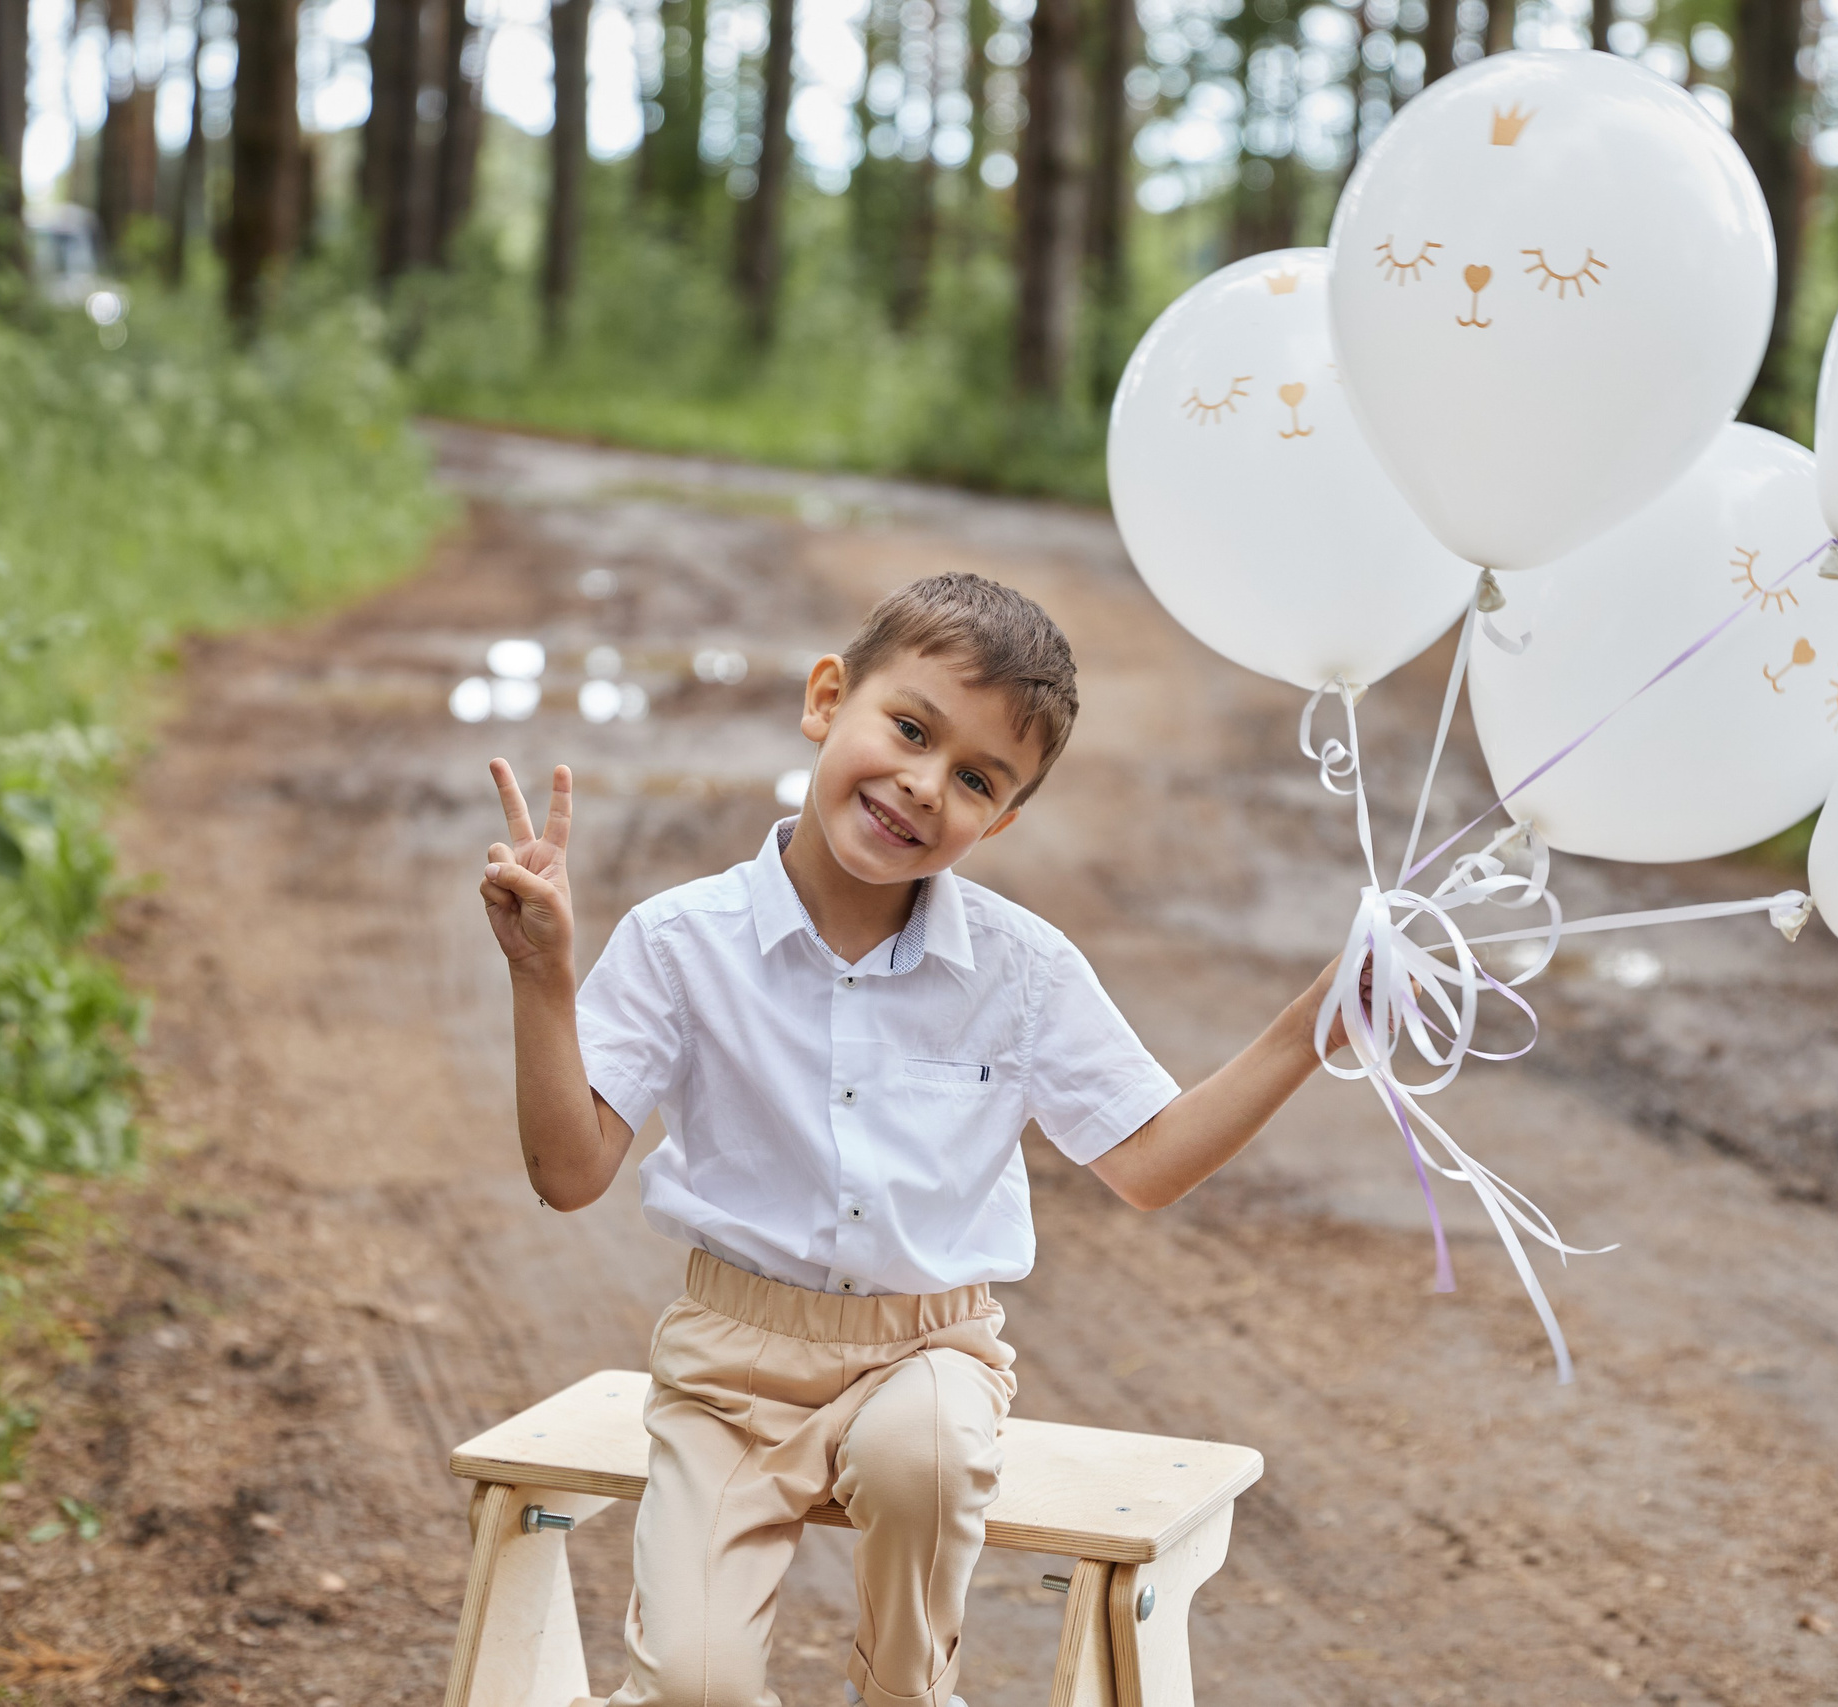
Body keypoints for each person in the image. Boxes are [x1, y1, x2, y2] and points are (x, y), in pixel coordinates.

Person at [478, 573, 1360, 1707]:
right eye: (908, 728)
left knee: (924, 1449)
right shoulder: (680, 942)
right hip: (730, 1363)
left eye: (975, 779)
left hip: (927, 1353)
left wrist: (1306, 1032)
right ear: (826, 698)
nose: (921, 786)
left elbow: (1146, 1165)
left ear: (1003, 817)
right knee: (694, 1689)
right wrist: (542, 974)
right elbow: (567, 1174)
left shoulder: (1022, 972)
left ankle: (908, 1692)